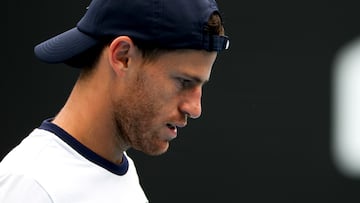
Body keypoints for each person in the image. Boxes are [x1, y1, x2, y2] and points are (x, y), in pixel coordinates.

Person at [0, 0, 229, 202]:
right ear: (123, 57)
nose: (195, 108)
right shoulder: (31, 186)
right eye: (184, 81)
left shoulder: (119, 171)